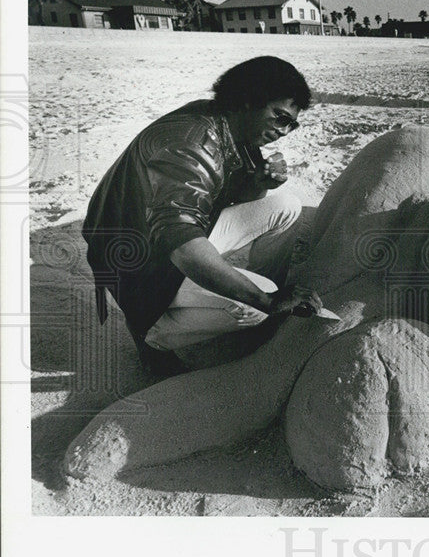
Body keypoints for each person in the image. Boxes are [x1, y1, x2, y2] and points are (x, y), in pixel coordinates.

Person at [83, 56, 323, 376]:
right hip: (136, 262)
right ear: (248, 99)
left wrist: (260, 183)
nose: (284, 131)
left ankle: (261, 297)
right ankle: (152, 337)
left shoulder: (228, 122)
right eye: (279, 117)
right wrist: (264, 300)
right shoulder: (190, 142)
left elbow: (227, 195)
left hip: (167, 236)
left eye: (291, 123)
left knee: (287, 205)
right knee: (250, 308)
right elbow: (181, 244)